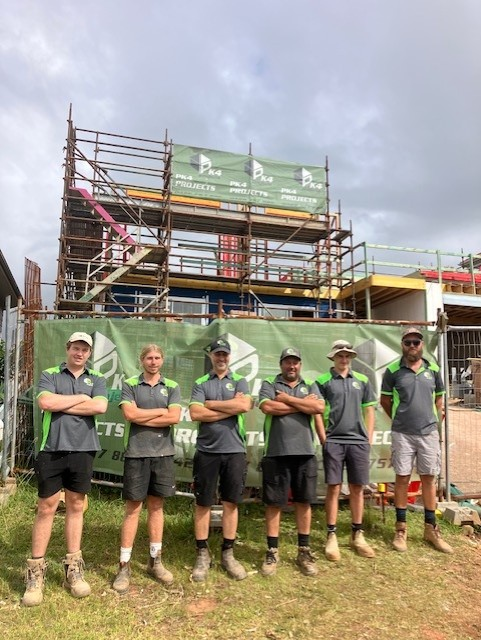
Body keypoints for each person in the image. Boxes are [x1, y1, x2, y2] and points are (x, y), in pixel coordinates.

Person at [22, 332, 108, 607]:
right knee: (46, 506)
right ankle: (35, 574)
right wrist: (82, 398)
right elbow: (46, 403)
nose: (80, 353)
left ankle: (73, 569)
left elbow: (101, 406)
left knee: (76, 505)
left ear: (89, 354)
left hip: (83, 450)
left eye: (85, 349)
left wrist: (66, 402)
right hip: (52, 449)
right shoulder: (50, 374)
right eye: (76, 348)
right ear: (67, 348)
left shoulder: (98, 379)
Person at [112, 344, 182, 594]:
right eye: (148, 358)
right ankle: (124, 565)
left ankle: (155, 560)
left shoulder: (172, 386)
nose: (153, 361)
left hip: (163, 454)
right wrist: (160, 411)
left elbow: (174, 418)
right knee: (133, 509)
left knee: (157, 507)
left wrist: (145, 413)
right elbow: (130, 415)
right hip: (136, 453)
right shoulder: (130, 384)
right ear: (141, 360)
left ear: (162, 360)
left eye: (157, 357)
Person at [380, 327, 453, 554]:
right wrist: (401, 420)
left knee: (428, 479)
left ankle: (431, 529)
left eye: (416, 342)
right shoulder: (393, 371)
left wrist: (433, 418)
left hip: (429, 433)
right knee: (402, 478)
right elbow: (385, 401)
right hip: (403, 433)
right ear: (402, 345)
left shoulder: (433, 369)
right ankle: (401, 529)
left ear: (422, 344)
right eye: (408, 342)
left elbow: (440, 398)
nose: (412, 346)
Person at [188, 338, 252, 582]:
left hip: (235, 450)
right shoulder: (201, 382)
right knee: (203, 503)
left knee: (230, 503)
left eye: (225, 354)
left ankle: (228, 553)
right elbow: (195, 413)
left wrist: (212, 405)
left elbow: (245, 405)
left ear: (229, 356)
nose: (221, 358)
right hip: (206, 451)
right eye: (217, 354)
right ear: (211, 356)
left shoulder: (240, 380)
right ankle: (202, 553)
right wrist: (230, 406)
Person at [258, 347, 325, 577]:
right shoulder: (269, 383)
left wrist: (286, 399)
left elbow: (318, 407)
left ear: (300, 365)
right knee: (274, 503)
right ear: (281, 365)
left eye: (295, 362)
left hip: (305, 452)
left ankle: (303, 551)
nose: (291, 366)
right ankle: (272, 551)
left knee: (303, 502)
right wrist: (301, 404)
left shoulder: (311, 385)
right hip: (276, 452)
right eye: (287, 362)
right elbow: (267, 407)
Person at [316, 340, 377, 562]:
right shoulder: (322, 381)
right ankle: (331, 536)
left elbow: (370, 411)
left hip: (358, 442)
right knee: (333, 487)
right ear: (333, 357)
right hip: (334, 440)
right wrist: (324, 438)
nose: (343, 359)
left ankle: (357, 534)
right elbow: (316, 412)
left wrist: (367, 439)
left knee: (357, 488)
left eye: (347, 355)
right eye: (340, 355)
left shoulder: (362, 380)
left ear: (351, 358)